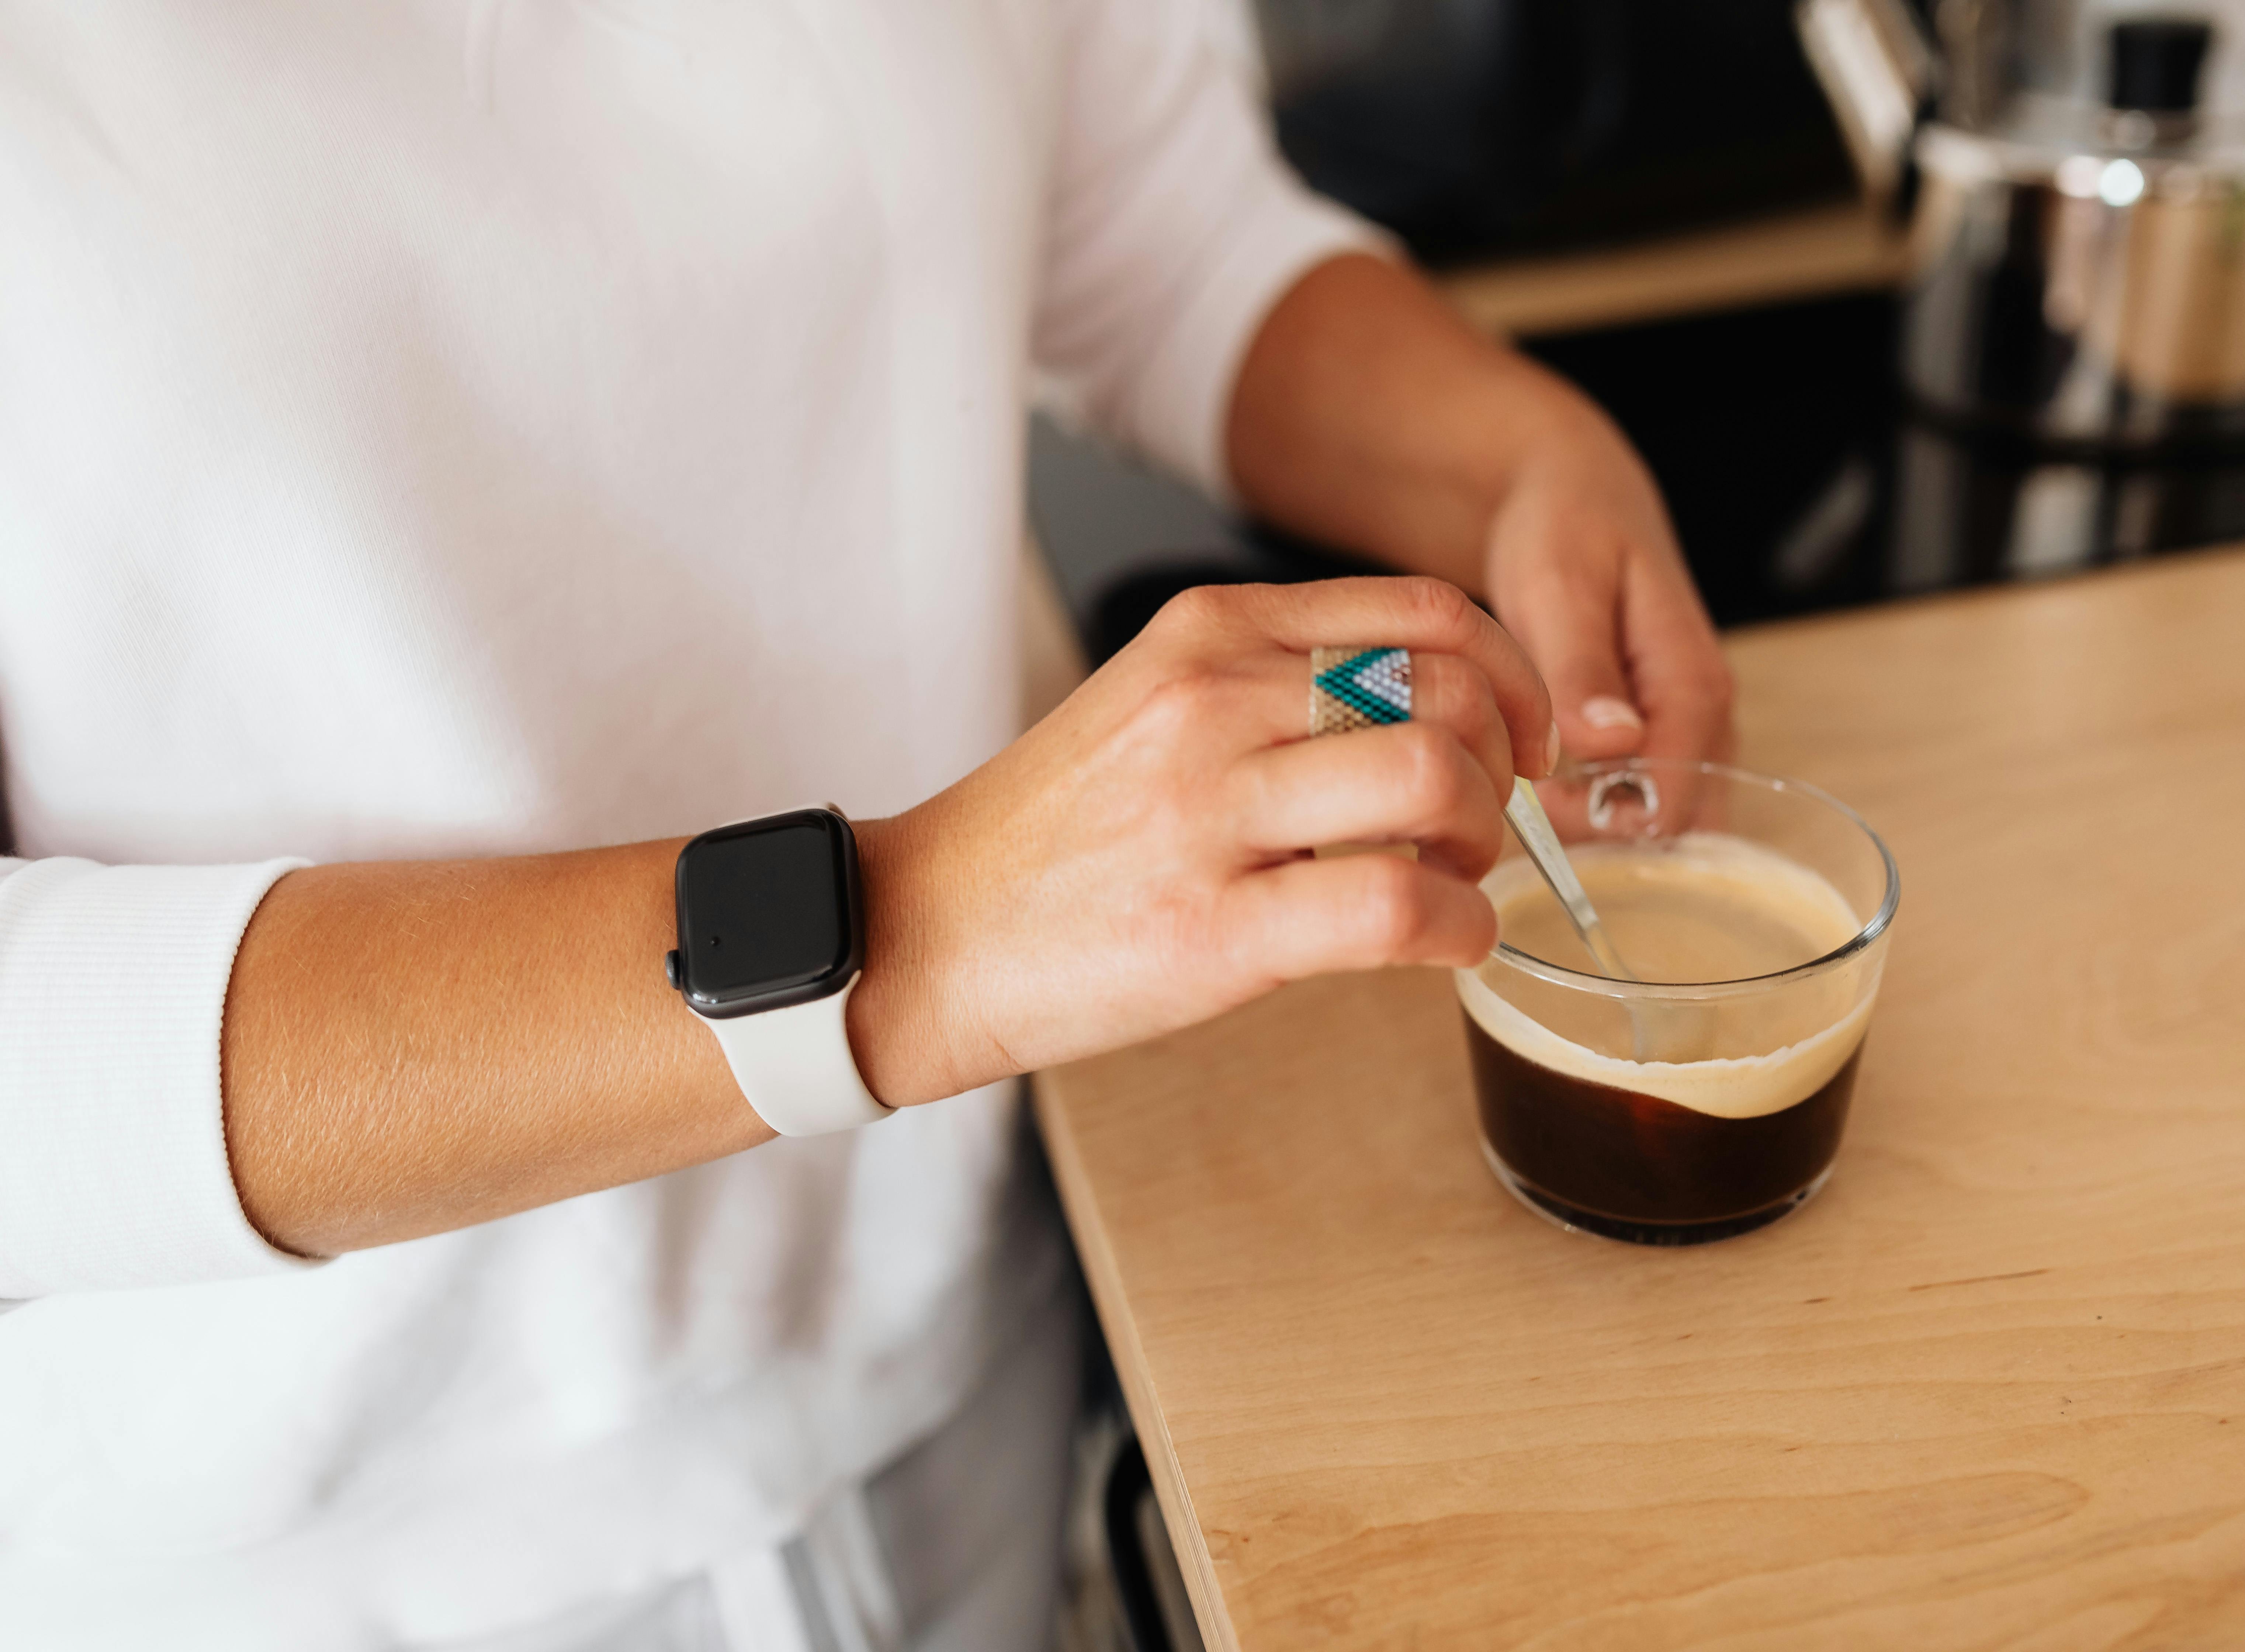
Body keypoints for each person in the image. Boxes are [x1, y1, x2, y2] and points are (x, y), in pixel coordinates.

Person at [0, 3, 1730, 1648]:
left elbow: (1154, 228)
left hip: (963, 1347)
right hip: (332, 1545)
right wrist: (913, 933)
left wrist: (1511, 460)